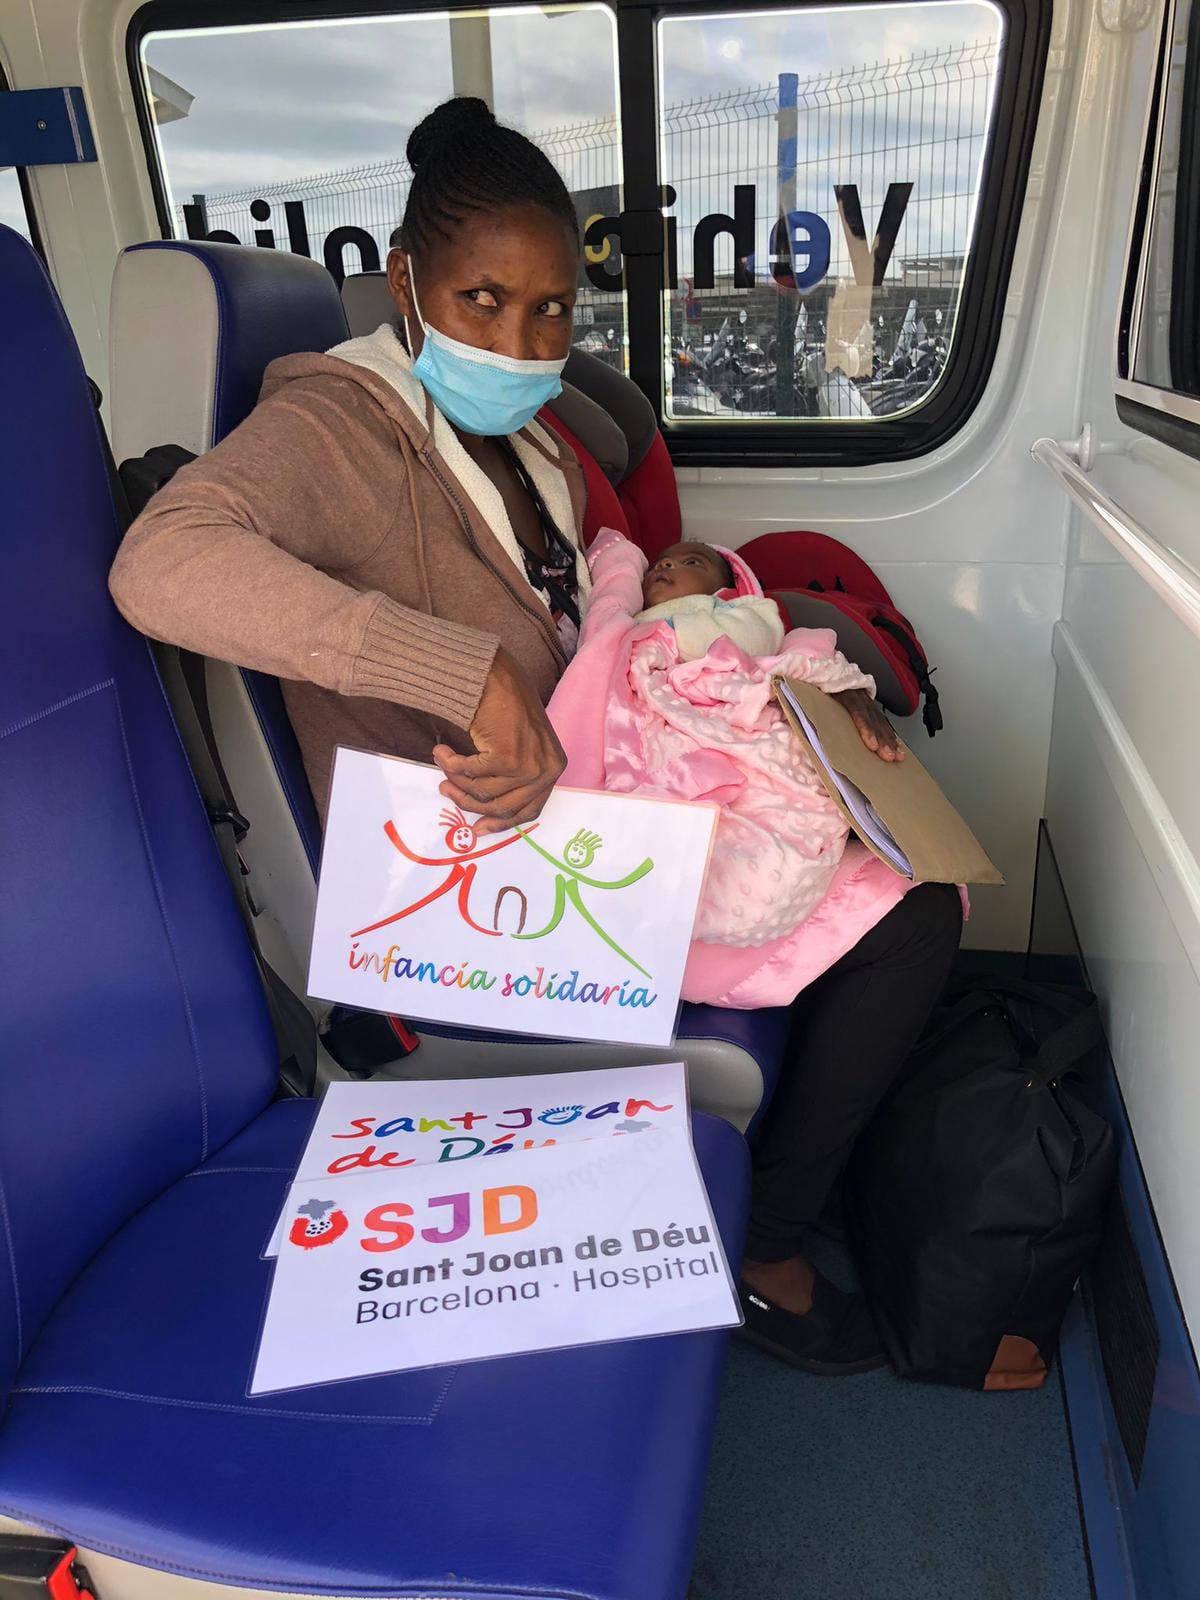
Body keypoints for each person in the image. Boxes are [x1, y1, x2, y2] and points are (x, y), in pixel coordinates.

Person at [108, 94, 962, 1376]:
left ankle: (794, 1175)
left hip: (584, 806)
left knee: (884, 839)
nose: (521, 342)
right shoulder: (340, 429)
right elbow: (162, 560)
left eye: (553, 308)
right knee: (915, 914)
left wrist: (797, 684)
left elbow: (620, 606)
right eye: (483, 301)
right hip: (472, 885)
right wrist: (460, 675)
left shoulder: (523, 440)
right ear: (404, 280)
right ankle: (770, 1250)